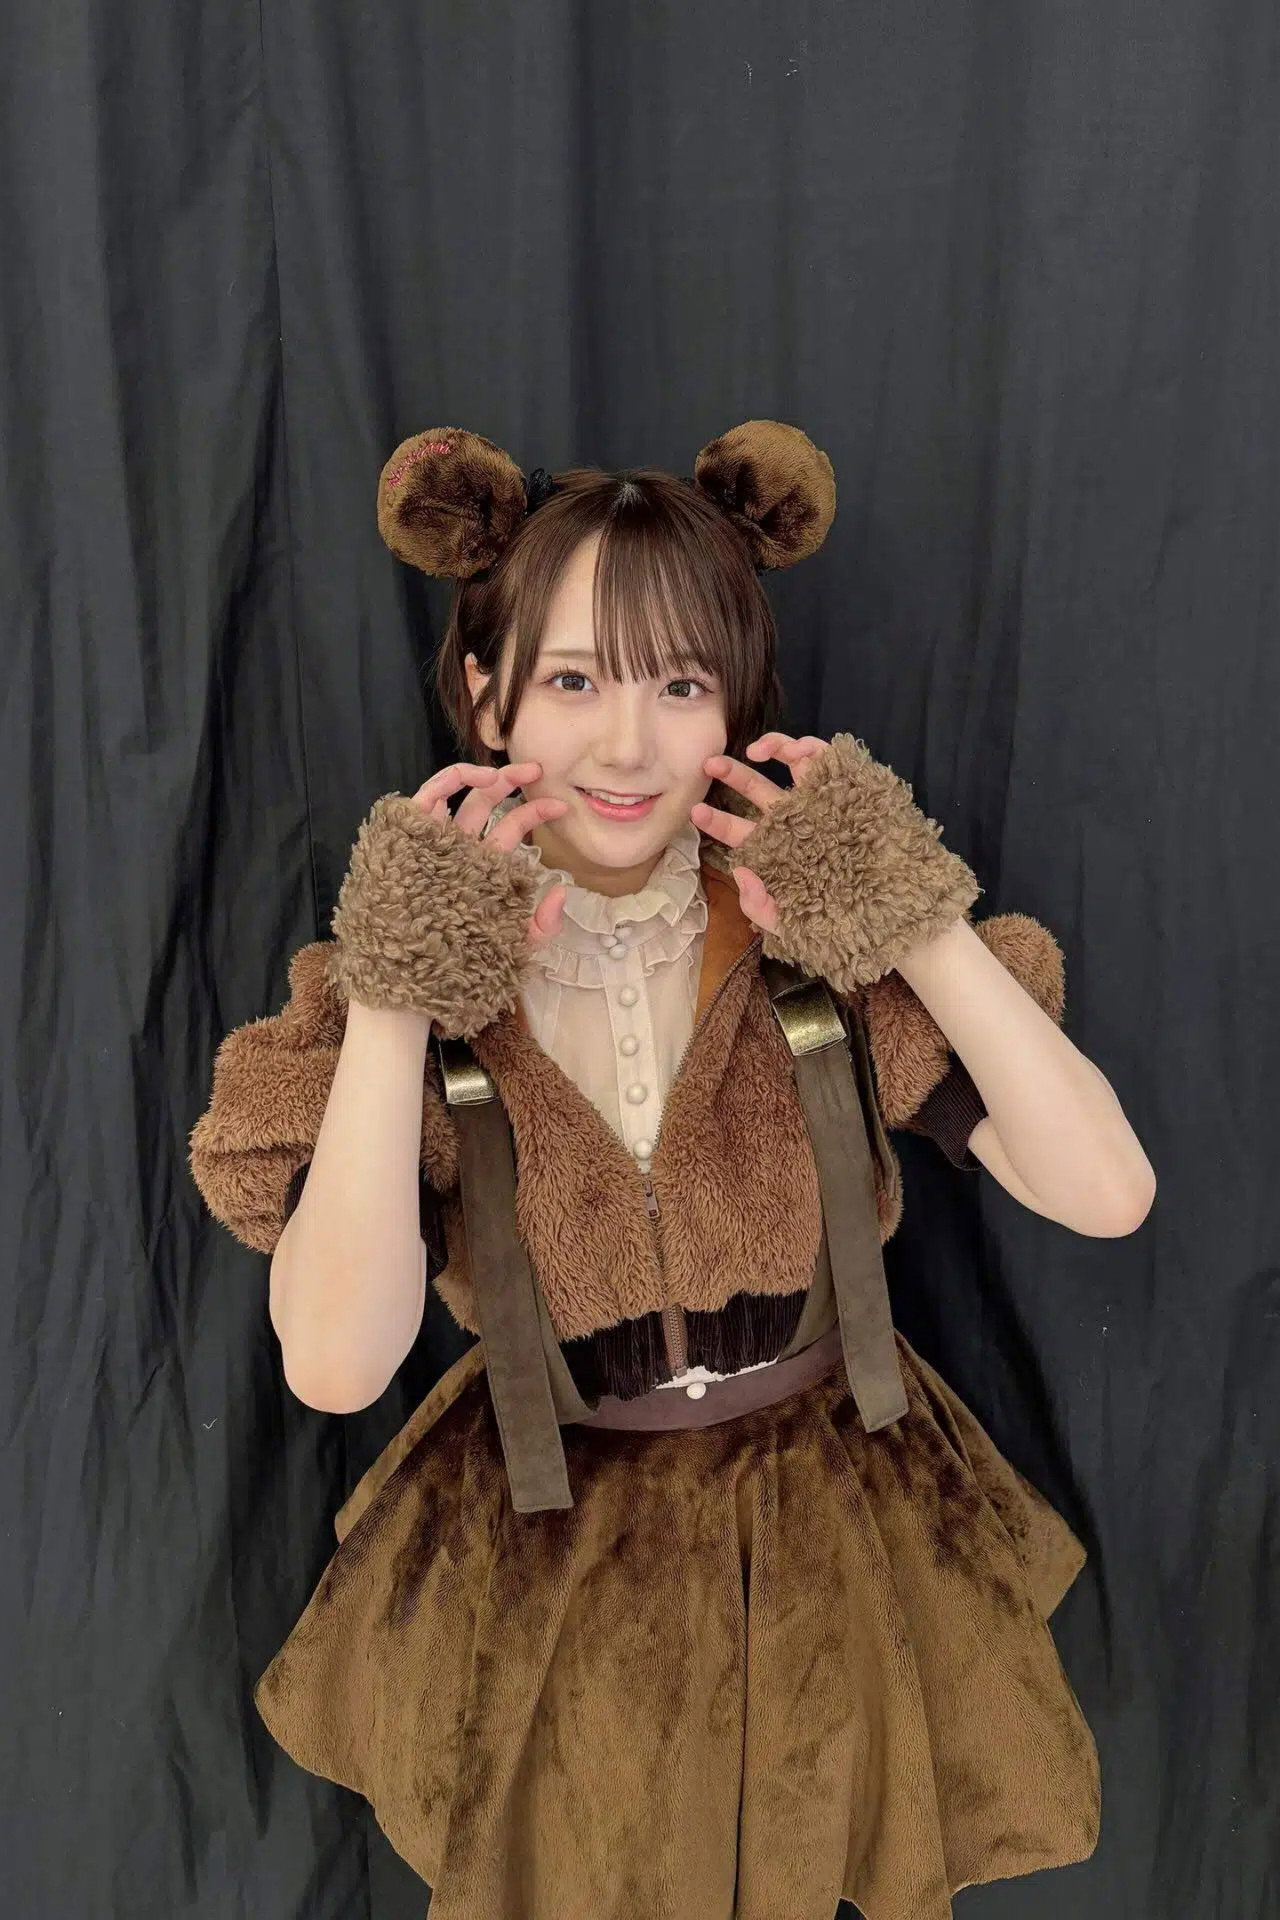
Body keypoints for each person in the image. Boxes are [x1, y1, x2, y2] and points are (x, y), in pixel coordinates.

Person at [189, 419, 1154, 1920]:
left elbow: (1106, 1193)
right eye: (575, 681)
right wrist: (396, 991)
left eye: (681, 684)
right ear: (484, 692)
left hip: (839, 1528)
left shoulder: (812, 939)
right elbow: (333, 1365)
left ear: (736, 705)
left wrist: (907, 915)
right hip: (549, 1552)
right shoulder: (388, 994)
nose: (629, 747)